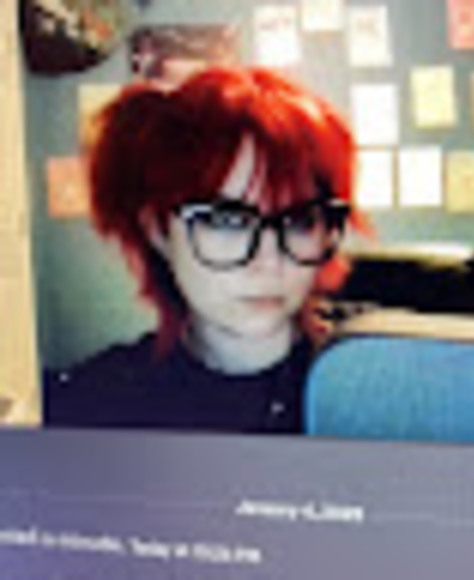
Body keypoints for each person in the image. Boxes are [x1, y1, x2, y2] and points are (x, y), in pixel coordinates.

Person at [45, 65, 363, 434]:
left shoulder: (378, 382)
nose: (268, 261)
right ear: (158, 230)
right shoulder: (98, 409)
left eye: (298, 221)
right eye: (228, 221)